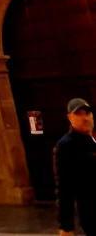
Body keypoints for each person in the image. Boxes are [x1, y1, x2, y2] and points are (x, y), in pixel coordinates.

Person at [55, 97, 96, 236]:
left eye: (87, 113)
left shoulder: (93, 139)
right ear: (70, 118)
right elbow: (64, 188)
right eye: (78, 114)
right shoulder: (66, 145)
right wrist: (66, 226)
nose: (85, 118)